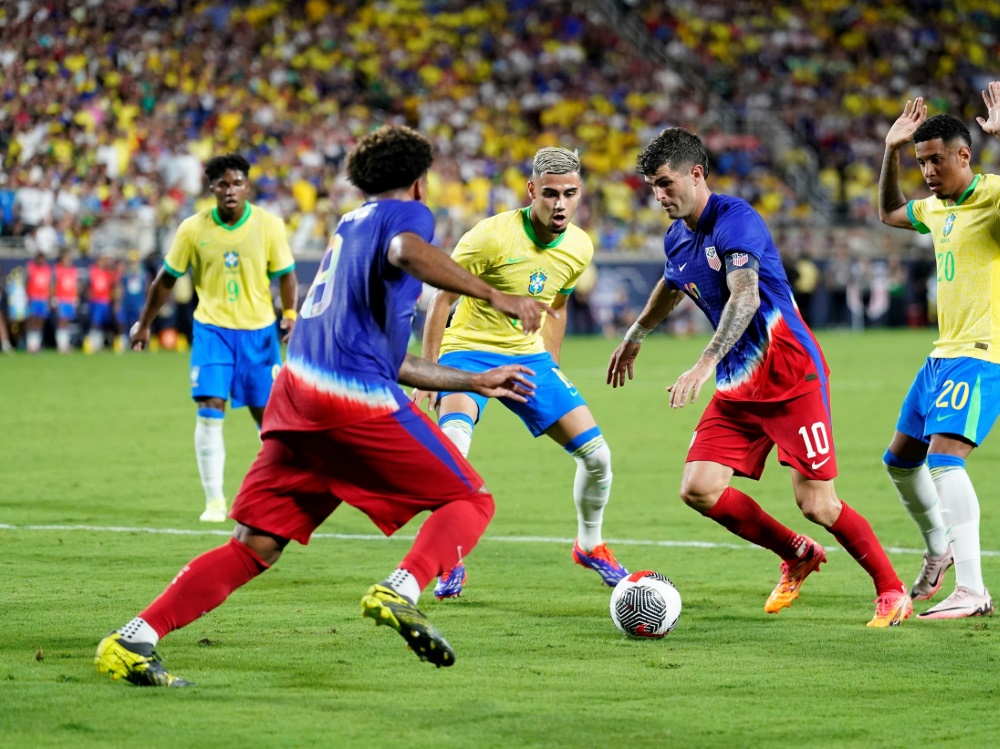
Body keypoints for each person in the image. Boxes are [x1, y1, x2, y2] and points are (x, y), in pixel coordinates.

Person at [95, 124, 549, 686]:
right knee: (471, 501)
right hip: (348, 399)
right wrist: (495, 294)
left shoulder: (347, 227)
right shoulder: (404, 217)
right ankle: (401, 588)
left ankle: (132, 638)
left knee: (254, 546)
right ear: (418, 182)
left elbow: (388, 357)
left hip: (297, 396)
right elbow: (408, 251)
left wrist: (474, 381)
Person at [606, 127, 912, 627]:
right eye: (652, 187)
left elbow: (745, 296)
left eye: (665, 183)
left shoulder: (736, 220)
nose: (659, 196)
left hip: (791, 378)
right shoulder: (677, 233)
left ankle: (892, 590)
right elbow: (671, 281)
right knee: (699, 488)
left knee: (816, 503)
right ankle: (797, 554)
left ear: (696, 174)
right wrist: (638, 331)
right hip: (738, 384)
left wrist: (703, 362)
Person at [413, 147, 628, 599]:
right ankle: (448, 557)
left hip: (529, 359)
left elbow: (558, 306)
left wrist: (551, 364)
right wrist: (428, 375)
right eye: (550, 194)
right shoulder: (490, 237)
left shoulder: (579, 246)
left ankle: (590, 546)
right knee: (452, 450)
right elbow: (441, 301)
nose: (560, 204)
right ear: (532, 190)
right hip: (467, 352)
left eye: (570, 193)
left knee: (598, 457)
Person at [876, 86, 1000, 618]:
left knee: (944, 461)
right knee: (900, 462)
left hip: (983, 351)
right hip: (942, 354)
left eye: (936, 160)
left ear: (965, 155)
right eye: (921, 161)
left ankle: (972, 590)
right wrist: (891, 151)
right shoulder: (936, 209)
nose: (927, 171)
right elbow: (887, 212)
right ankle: (939, 547)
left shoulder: (992, 195)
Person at [129, 153, 299, 522]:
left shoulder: (268, 225)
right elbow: (166, 279)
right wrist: (144, 324)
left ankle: (277, 492)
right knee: (210, 408)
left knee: (268, 419)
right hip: (211, 331)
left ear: (247, 186)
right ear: (211, 189)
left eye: (237, 183)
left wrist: (289, 315)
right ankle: (215, 502)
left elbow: (286, 274)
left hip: (258, 333)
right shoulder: (193, 229)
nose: (230, 190)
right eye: (223, 184)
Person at [85, 253, 116, 353]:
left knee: (103, 323)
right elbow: (88, 285)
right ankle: (93, 343)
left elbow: (113, 284)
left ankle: (100, 343)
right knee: (95, 322)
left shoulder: (108, 272)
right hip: (96, 300)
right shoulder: (92, 270)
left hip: (105, 301)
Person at [25, 251, 51, 353]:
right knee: (32, 320)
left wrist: (50, 298)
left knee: (40, 321)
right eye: (39, 258)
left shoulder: (47, 269)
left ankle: (36, 344)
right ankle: (30, 343)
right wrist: (26, 296)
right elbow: (26, 283)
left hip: (43, 298)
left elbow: (49, 284)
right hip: (33, 298)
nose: (41, 260)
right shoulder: (30, 268)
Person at [53, 249, 79, 353]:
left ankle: (65, 343)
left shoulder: (73, 270)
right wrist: (54, 297)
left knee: (67, 321)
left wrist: (75, 297)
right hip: (61, 298)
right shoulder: (58, 270)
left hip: (70, 299)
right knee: (62, 321)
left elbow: (74, 285)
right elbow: (54, 285)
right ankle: (61, 344)